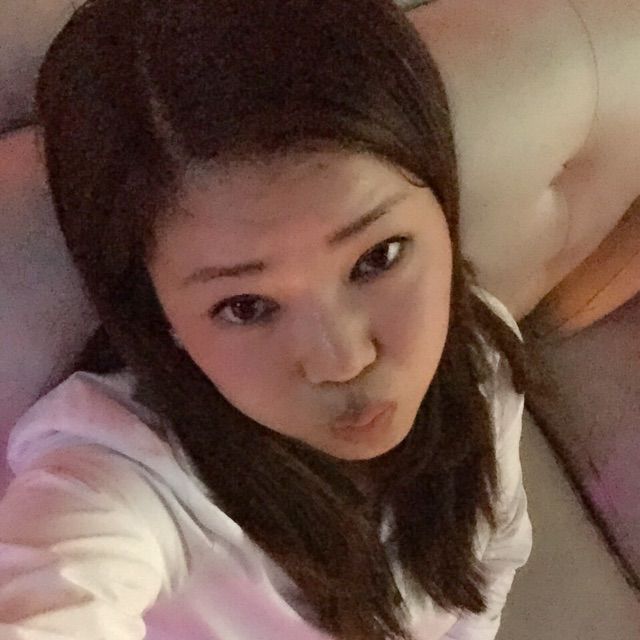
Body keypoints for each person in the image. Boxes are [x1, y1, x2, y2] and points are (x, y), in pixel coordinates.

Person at [0, 0, 551, 638]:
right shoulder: (122, 479)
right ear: (156, 312)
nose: (343, 360)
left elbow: (488, 571)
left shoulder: (478, 357)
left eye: (378, 257)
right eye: (246, 307)